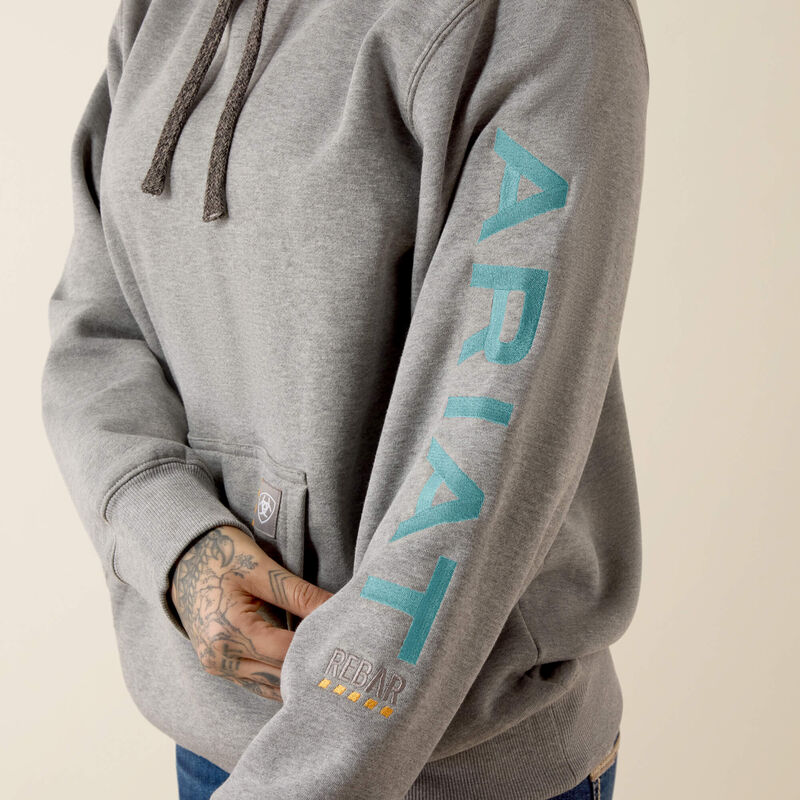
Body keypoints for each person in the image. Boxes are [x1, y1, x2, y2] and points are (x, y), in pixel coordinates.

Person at [40, 0, 648, 797]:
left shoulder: (543, 19)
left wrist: (315, 755)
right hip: (214, 735)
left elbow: (486, 444)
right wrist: (175, 543)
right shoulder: (163, 12)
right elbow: (97, 326)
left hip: (444, 766)